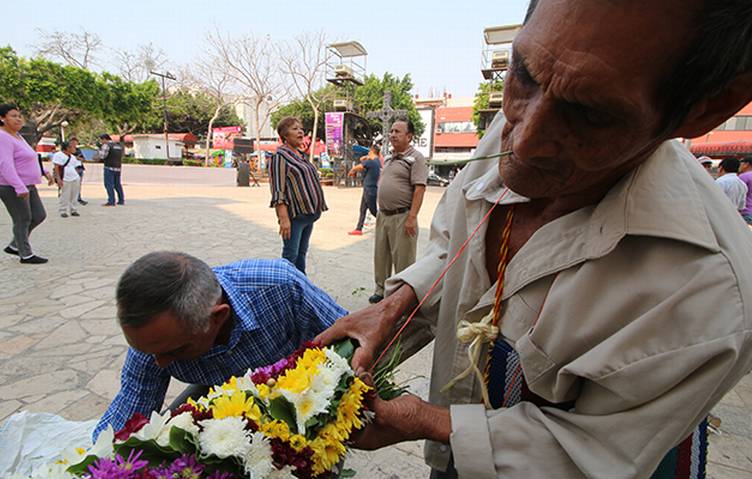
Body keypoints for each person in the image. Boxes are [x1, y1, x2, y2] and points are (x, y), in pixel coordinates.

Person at [316, 0, 752, 477]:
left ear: (705, 109)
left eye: (587, 114)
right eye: (522, 74)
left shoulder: (713, 292)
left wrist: (428, 421)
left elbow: (587, 455)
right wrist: (393, 308)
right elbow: (454, 249)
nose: (521, 144)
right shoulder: (519, 120)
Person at [93, 251, 347, 440]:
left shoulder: (281, 287)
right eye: (149, 353)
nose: (159, 363)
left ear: (218, 317)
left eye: (174, 352)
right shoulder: (156, 340)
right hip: (221, 392)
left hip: (299, 391)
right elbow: (132, 410)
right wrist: (99, 463)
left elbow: (353, 345)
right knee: (170, 439)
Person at [368, 119, 427, 304]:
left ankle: (401, 296)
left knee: (403, 259)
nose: (392, 134)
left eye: (398, 132)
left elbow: (419, 188)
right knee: (381, 256)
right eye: (391, 131)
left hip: (403, 216)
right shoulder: (390, 157)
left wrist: (412, 217)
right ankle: (381, 290)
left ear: (409, 137)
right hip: (383, 215)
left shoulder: (416, 158)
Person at [0, 104, 53, 264]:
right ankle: (25, 254)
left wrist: (43, 171)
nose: (18, 119)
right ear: (2, 118)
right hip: (10, 186)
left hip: (28, 184)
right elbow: (5, 164)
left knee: (38, 215)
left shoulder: (17, 135)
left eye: (19, 116)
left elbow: (30, 157)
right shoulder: (0, 137)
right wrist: (18, 186)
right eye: (13, 116)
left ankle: (14, 244)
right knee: (22, 219)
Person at [269, 117, 328, 274]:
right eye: (295, 129)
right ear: (285, 135)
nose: (300, 131)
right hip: (295, 217)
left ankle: (301, 286)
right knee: (290, 256)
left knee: (301, 254)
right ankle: (286, 290)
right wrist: (284, 219)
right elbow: (278, 189)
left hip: (309, 215)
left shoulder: (301, 155)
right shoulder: (279, 157)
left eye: (301, 128)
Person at [348, 144, 382, 236]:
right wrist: (367, 156)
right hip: (369, 188)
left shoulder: (371, 162)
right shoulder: (376, 161)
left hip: (370, 189)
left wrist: (351, 171)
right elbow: (362, 159)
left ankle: (387, 224)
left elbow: (357, 167)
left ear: (371, 151)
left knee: (373, 211)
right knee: (362, 209)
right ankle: (359, 228)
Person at [52, 141, 82, 218]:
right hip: (65, 178)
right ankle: (63, 210)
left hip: (74, 177)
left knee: (74, 194)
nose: (74, 148)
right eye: (72, 147)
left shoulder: (72, 157)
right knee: (65, 194)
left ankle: (73, 209)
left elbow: (76, 166)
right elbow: (56, 167)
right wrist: (58, 179)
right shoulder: (58, 155)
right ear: (67, 148)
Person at [94, 133, 125, 207]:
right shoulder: (118, 145)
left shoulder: (106, 145)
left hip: (109, 167)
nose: (101, 142)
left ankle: (111, 201)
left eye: (101, 140)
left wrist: (98, 151)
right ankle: (121, 200)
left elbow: (102, 156)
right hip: (118, 167)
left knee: (108, 184)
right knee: (117, 184)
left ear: (104, 139)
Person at [69, 136, 88, 205]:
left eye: (75, 142)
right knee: (70, 184)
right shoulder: (68, 150)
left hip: (80, 168)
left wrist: (79, 158)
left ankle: (78, 198)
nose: (74, 143)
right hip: (72, 169)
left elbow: (83, 158)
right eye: (72, 142)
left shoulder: (78, 150)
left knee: (78, 185)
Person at [738, 156, 752, 224]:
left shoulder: (743, 176)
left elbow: (739, 194)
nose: (739, 166)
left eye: (741, 163)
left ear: (746, 164)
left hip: (746, 212)